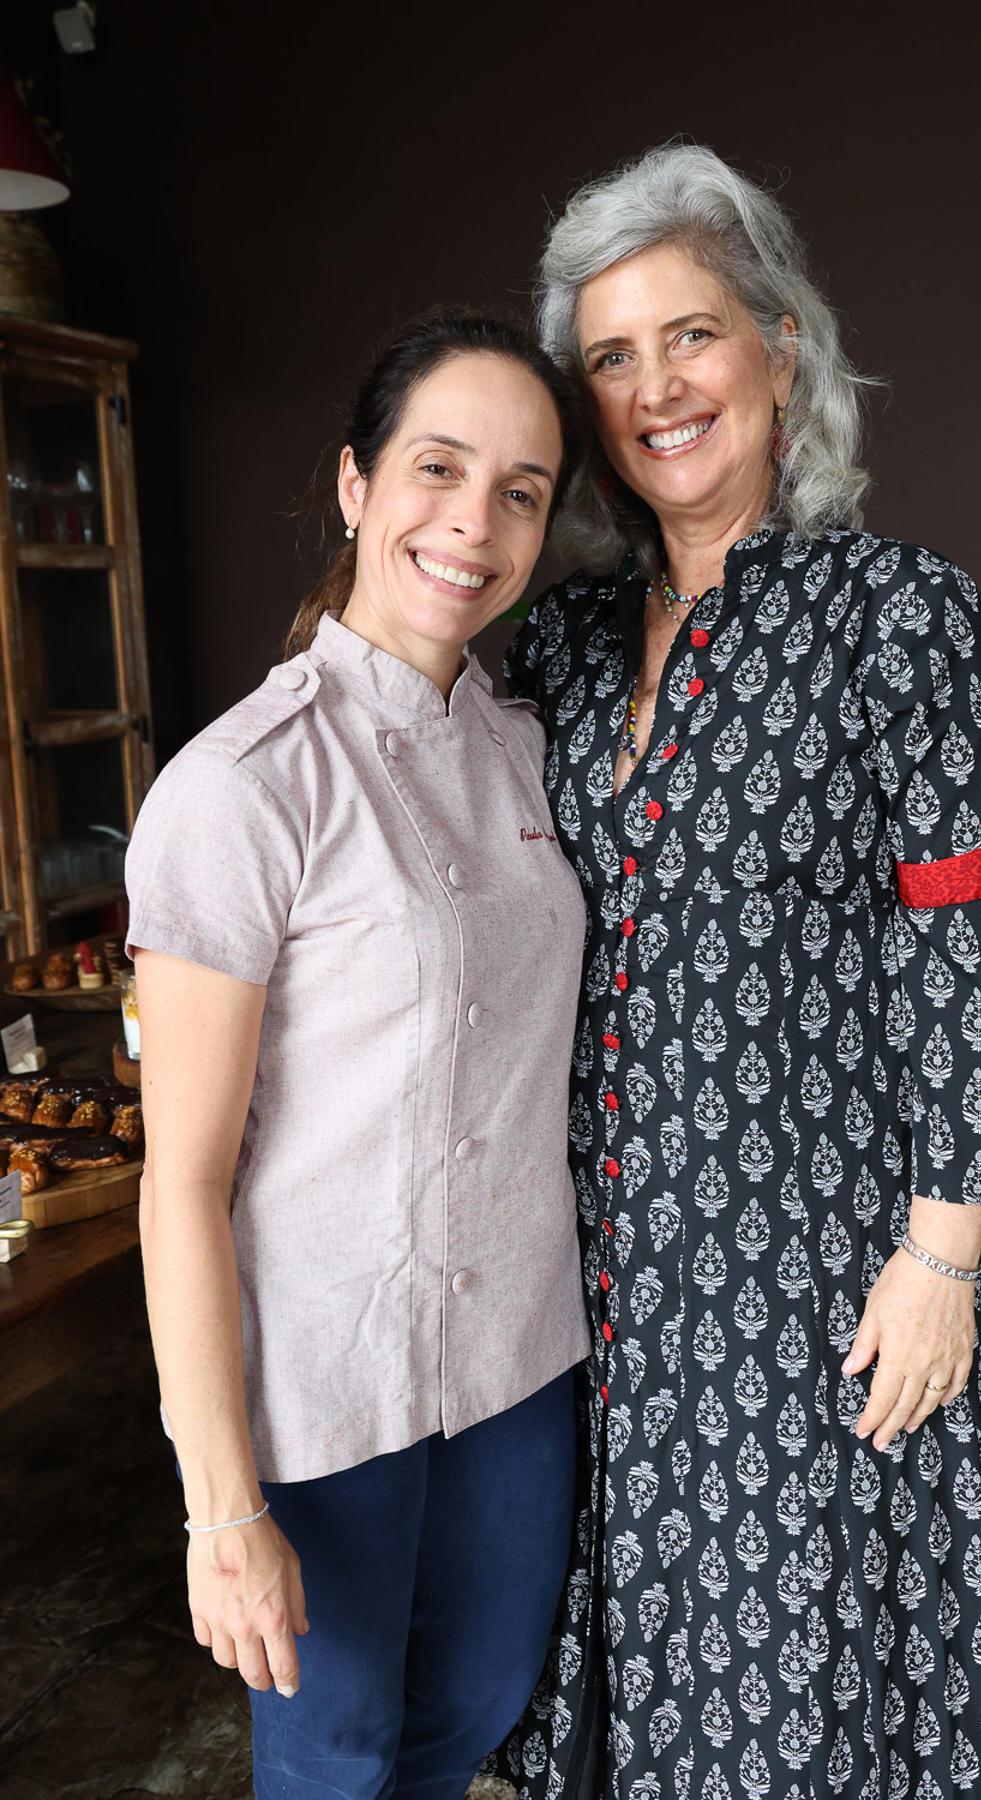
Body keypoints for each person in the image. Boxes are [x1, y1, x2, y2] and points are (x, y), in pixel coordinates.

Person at [497, 146, 981, 1800]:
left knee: (802, 1691)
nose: (657, 387)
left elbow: (968, 940)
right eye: (613, 357)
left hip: (815, 1278)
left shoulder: (901, 618)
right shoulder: (563, 642)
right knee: (638, 1689)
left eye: (693, 335)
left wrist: (942, 1257)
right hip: (599, 1284)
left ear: (781, 351)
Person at [126, 308, 592, 1800]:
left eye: (520, 491)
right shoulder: (241, 788)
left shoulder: (530, 750)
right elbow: (180, 1183)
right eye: (437, 469)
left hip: (520, 1358)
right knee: (335, 1758)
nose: (474, 524)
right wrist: (220, 1507)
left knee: (477, 1709)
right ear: (355, 484)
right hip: (327, 1382)